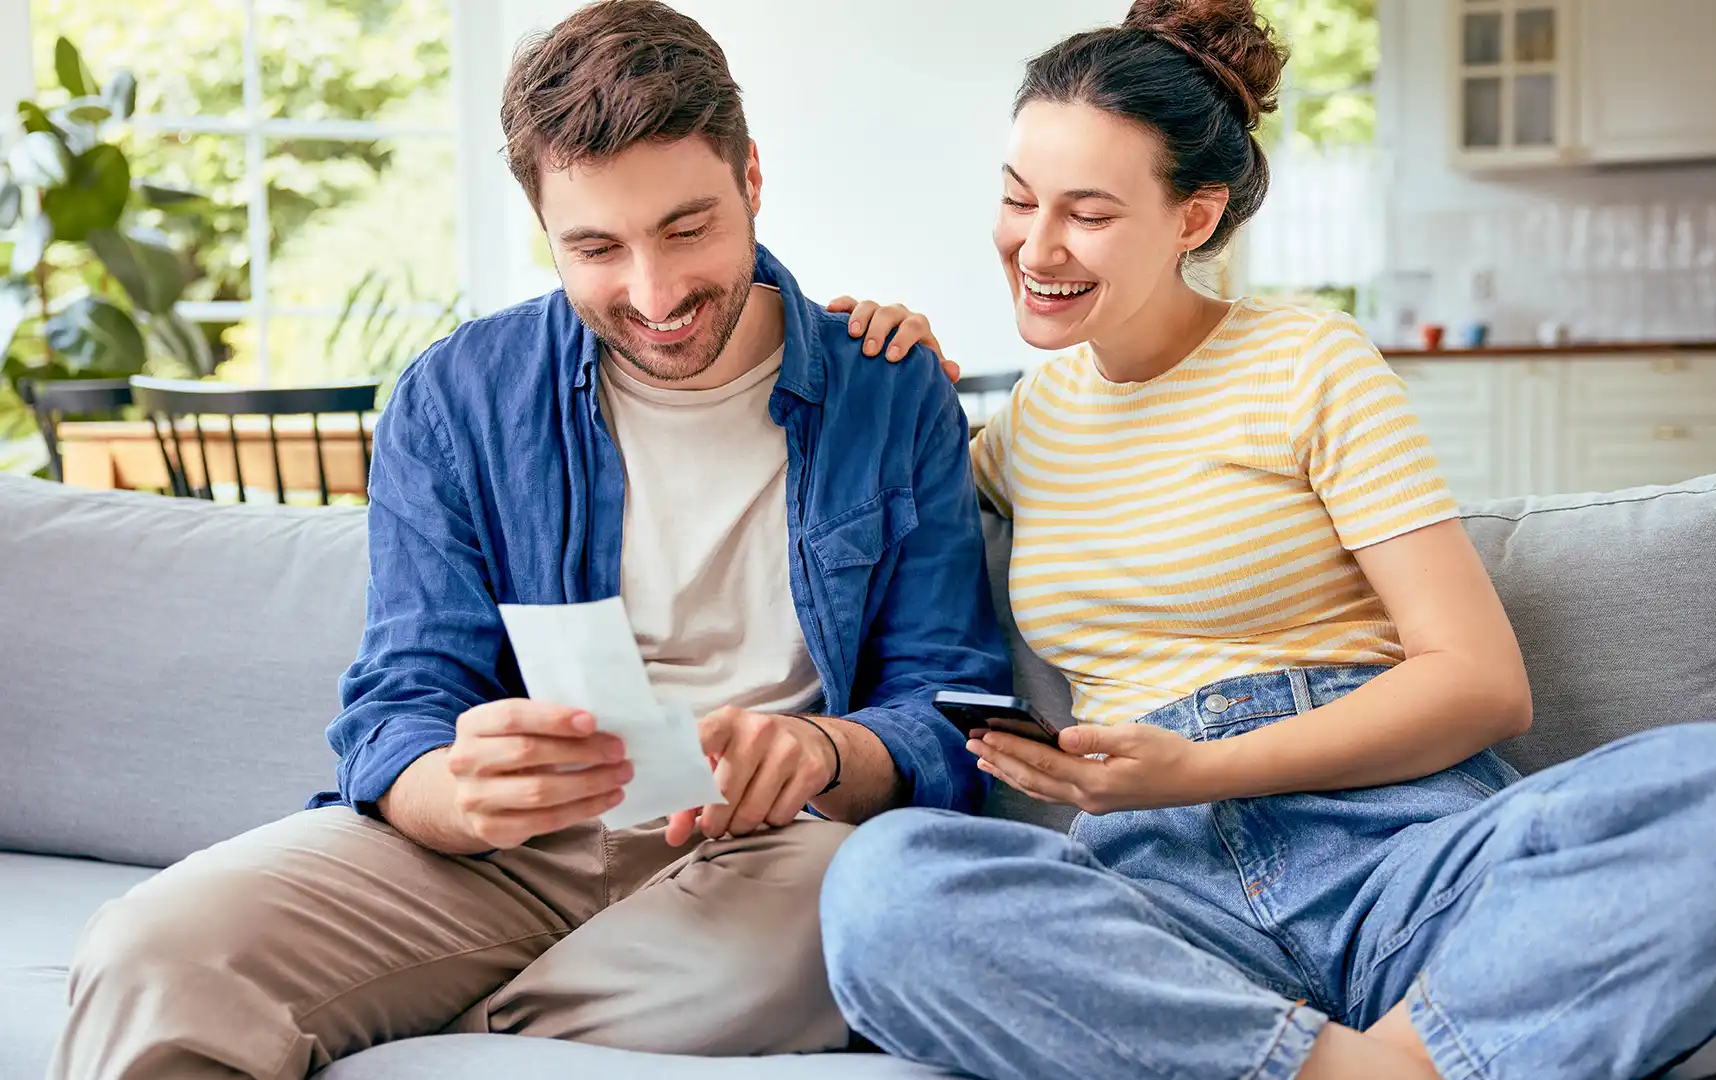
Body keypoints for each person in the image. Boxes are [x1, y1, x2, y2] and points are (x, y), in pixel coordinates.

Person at [817, 2, 1716, 1079]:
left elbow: (1484, 685)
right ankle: (1387, 1066)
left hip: (1398, 860)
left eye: (1088, 213)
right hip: (1161, 907)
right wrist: (892, 372)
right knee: (884, 892)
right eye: (1018, 199)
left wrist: (1195, 767)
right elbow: (890, 491)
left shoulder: (1308, 358)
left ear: (1193, 218)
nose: (1036, 247)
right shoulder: (1027, 424)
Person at [50, 3, 1009, 1078]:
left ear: (750, 178)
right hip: (500, 858)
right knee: (153, 949)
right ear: (542, 229)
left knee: (866, 915)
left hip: (765, 857)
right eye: (596, 246)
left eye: (687, 228)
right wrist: (456, 792)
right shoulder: (458, 399)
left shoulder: (887, 389)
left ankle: (453, 1039)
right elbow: (402, 705)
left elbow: (945, 702)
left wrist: (825, 750)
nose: (654, 295)